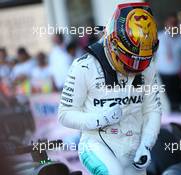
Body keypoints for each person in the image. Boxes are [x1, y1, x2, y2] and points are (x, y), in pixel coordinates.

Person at [58, 2, 161, 175]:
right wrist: (101, 118)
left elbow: (152, 110)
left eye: (141, 60)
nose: (136, 67)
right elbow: (64, 115)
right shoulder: (84, 67)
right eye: (131, 59)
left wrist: (146, 144)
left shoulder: (148, 67)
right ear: (114, 42)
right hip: (95, 144)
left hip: (133, 150)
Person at [156, 14, 181, 112]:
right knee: (173, 102)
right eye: (171, 23)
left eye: (175, 23)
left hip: (180, 75)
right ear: (166, 24)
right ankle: (177, 124)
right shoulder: (158, 38)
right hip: (165, 75)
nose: (173, 26)